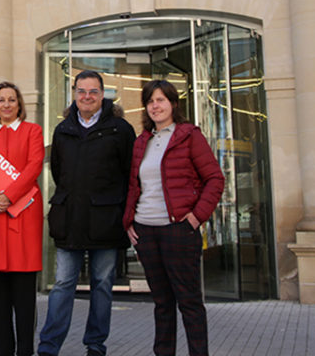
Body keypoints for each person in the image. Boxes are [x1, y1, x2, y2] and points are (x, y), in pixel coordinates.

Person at [123, 80, 224, 356]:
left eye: (161, 100)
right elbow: (135, 185)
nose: (155, 106)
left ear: (173, 104)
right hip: (146, 231)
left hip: (178, 230)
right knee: (162, 302)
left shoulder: (189, 135)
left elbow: (214, 179)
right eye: (150, 101)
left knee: (189, 302)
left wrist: (195, 218)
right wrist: (129, 222)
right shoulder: (142, 141)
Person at [38, 71, 135, 356]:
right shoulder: (62, 130)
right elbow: (59, 171)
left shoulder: (120, 129)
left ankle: (95, 345)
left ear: (102, 94)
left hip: (106, 220)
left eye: (93, 91)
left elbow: (129, 173)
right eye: (82, 91)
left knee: (102, 286)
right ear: (74, 94)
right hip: (69, 219)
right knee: (63, 284)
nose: (87, 97)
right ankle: (48, 347)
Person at [0, 81, 44, 356]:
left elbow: (34, 165)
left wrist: (9, 195)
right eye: (1, 100)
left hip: (23, 217)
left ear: (19, 104)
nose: (6, 105)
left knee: (25, 299)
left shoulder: (33, 131)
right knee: (0, 299)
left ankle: (25, 351)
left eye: (11, 100)